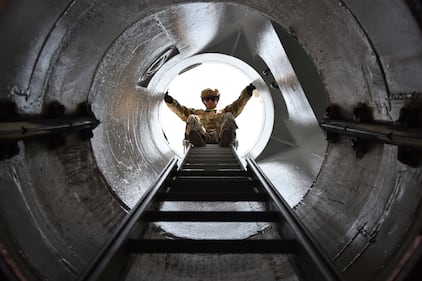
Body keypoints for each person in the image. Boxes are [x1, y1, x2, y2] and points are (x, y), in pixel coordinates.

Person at [164, 83, 256, 147]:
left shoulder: (224, 112)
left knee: (229, 115)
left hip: (220, 136)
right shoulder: (197, 113)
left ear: (217, 100)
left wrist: (248, 90)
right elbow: (181, 110)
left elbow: (239, 103)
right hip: (202, 137)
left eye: (213, 98)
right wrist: (170, 101)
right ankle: (197, 140)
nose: (210, 101)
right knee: (191, 117)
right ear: (203, 101)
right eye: (207, 99)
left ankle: (226, 139)